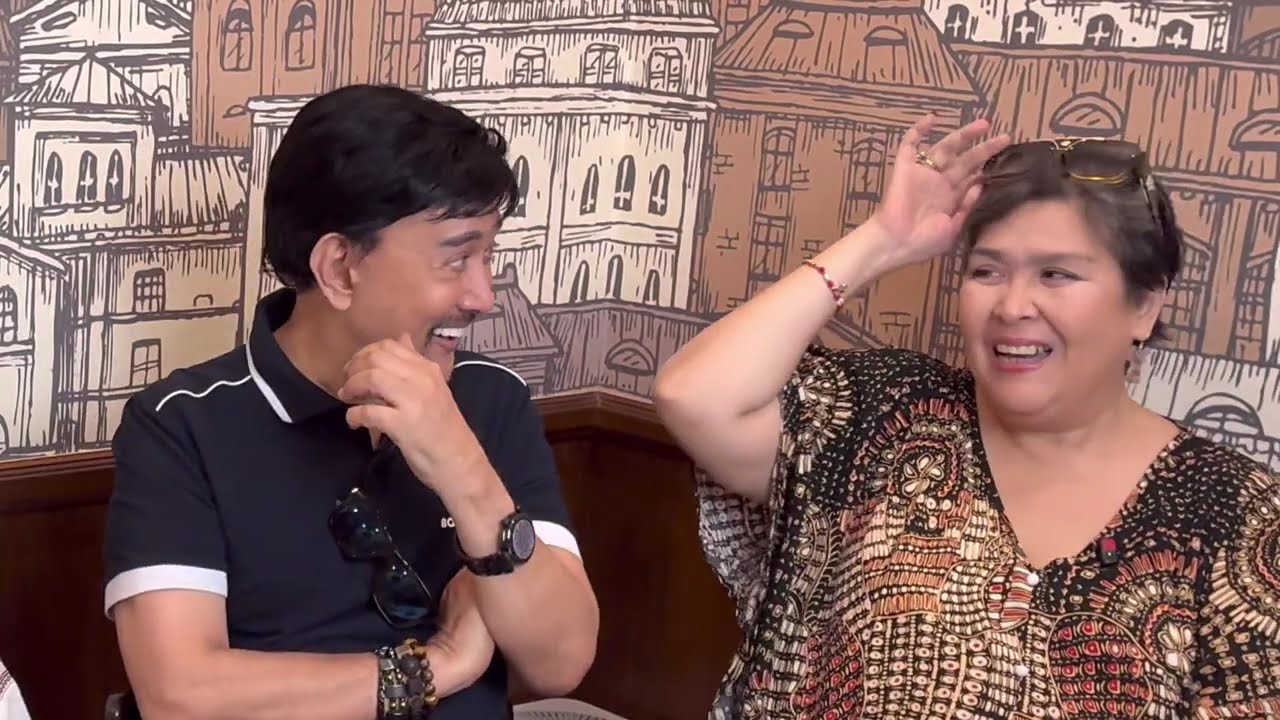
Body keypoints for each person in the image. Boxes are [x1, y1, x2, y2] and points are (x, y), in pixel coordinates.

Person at [654, 115, 1280, 719]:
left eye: (1056, 274)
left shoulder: (1236, 513)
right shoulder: (887, 414)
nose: (1012, 306)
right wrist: (883, 239)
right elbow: (694, 397)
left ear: (1144, 306)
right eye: (987, 271)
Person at [103, 84, 599, 720]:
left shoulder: (491, 397)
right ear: (339, 267)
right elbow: (181, 697)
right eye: (457, 260)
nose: (484, 297)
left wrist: (462, 467)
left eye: (489, 255)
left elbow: (561, 663)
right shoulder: (181, 424)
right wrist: (440, 665)